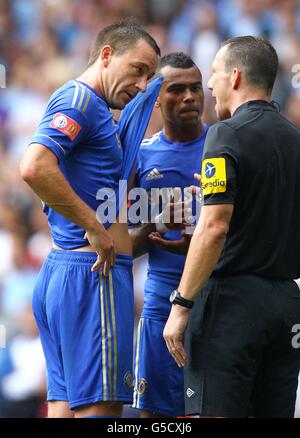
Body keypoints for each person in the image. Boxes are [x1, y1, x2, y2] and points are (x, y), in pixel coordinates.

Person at [19, 21, 160, 418]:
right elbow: (33, 166)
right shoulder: (80, 100)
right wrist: (95, 227)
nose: (144, 84)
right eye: (138, 69)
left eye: (150, 75)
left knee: (64, 409)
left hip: (65, 273)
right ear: (106, 55)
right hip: (90, 276)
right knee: (102, 410)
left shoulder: (93, 107)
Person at [164, 36, 300, 418]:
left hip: (232, 306)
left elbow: (214, 227)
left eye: (214, 74)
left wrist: (181, 304)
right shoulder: (295, 139)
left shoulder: (225, 134)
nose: (209, 85)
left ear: (235, 76)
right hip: (287, 307)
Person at [130, 52, 208, 417]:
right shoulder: (139, 159)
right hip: (162, 297)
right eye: (177, 90)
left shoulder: (226, 146)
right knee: (154, 412)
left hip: (219, 294)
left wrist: (205, 244)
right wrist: (155, 225)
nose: (190, 96)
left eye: (195, 88)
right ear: (157, 99)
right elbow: (120, 247)